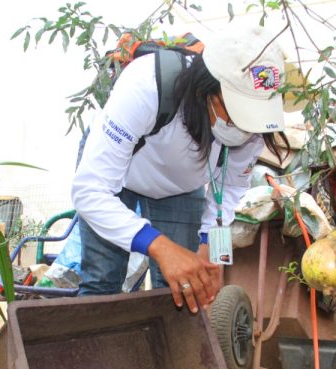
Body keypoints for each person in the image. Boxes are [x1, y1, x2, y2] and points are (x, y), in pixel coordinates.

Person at [71, 24, 288, 313]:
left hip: (180, 188)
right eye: (238, 113)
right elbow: (89, 191)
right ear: (206, 90)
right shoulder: (147, 85)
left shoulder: (256, 128)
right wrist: (160, 246)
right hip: (118, 177)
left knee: (185, 290)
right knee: (103, 281)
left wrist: (214, 254)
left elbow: (230, 191)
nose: (246, 128)